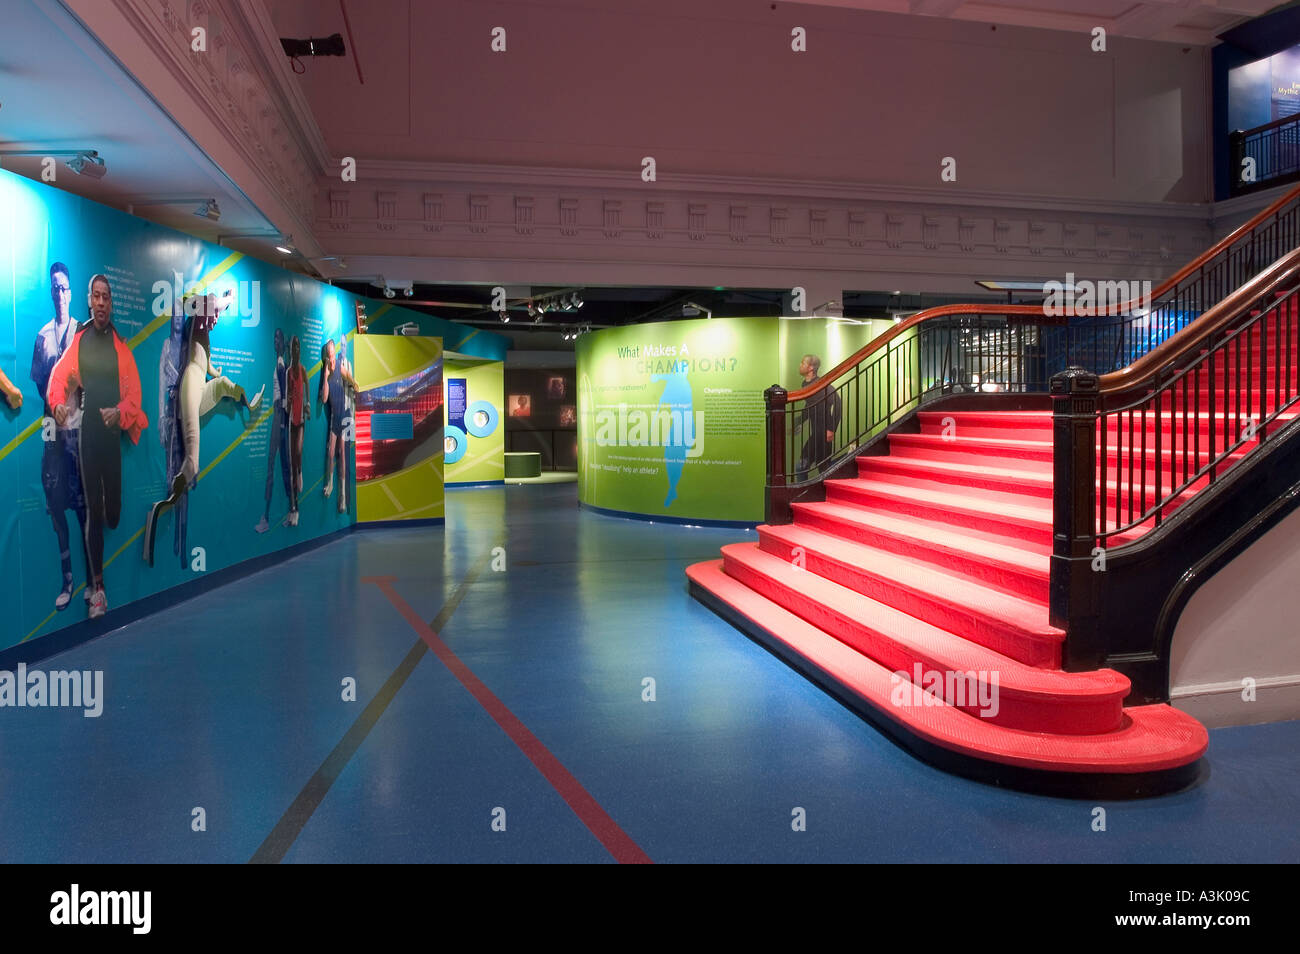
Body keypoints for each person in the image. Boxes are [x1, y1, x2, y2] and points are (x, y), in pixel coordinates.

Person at [46, 274, 148, 619]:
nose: (102, 302)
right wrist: (58, 402)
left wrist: (119, 413)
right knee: (91, 511)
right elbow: (59, 378)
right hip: (89, 433)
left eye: (106, 297)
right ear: (90, 301)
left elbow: (135, 393)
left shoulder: (120, 346)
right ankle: (99, 590)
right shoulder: (81, 341)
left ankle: (107, 512)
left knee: (111, 515)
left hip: (112, 437)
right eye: (97, 296)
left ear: (111, 303)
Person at [30, 262, 91, 611]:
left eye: (64, 287)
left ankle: (93, 578)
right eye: (54, 287)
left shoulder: (82, 332)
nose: (59, 293)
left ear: (71, 290)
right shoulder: (42, 336)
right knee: (56, 508)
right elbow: (40, 382)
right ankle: (67, 578)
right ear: (50, 292)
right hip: (53, 433)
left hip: (78, 434)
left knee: (82, 508)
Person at [255, 328, 292, 533]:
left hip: (280, 417)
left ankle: (270, 516)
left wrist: (281, 424)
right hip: (278, 416)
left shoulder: (281, 365)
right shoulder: (280, 364)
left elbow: (284, 398)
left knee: (277, 465)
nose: (275, 341)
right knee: (279, 465)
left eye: (278, 338)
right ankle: (279, 513)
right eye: (274, 338)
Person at [319, 338, 355, 514]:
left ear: (335, 352)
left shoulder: (341, 366)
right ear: (326, 356)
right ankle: (330, 484)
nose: (331, 358)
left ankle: (341, 495)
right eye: (329, 355)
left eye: (333, 354)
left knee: (341, 455)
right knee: (331, 453)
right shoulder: (326, 371)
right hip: (334, 417)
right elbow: (325, 398)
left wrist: (355, 384)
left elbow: (349, 377)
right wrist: (325, 377)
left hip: (344, 415)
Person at [796, 353, 842, 480]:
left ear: (811, 368)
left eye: (803, 363)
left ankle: (848, 457)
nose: (800, 365)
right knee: (806, 466)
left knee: (822, 467)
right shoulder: (805, 384)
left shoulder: (821, 384)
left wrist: (831, 429)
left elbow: (838, 403)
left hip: (824, 432)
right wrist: (798, 421)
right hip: (815, 432)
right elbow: (809, 406)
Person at [286, 335, 310, 525]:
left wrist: (308, 405)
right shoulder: (288, 372)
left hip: (301, 420)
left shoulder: (302, 370)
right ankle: (295, 507)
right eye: (293, 347)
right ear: (290, 350)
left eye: (298, 347)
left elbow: (308, 390)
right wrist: (287, 403)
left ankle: (301, 469)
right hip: (290, 421)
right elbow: (287, 395)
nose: (296, 350)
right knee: (292, 461)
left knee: (299, 453)